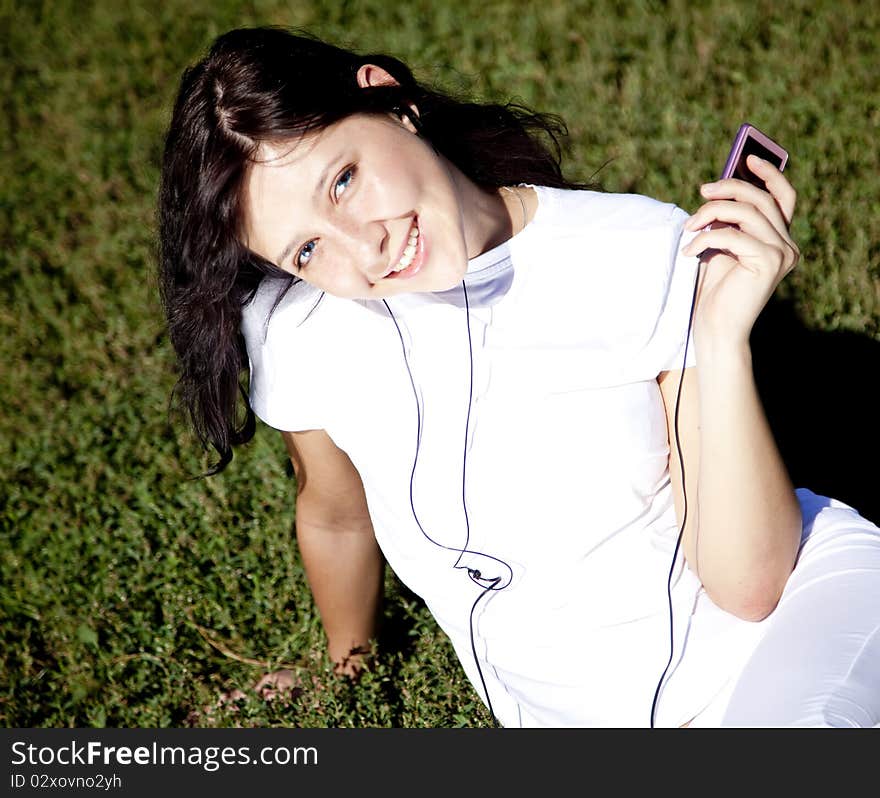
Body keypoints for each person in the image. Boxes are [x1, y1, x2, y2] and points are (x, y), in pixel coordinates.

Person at [157, 26, 880, 727]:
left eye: (343, 181)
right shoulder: (303, 333)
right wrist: (347, 674)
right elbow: (336, 513)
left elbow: (749, 588)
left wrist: (720, 340)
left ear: (390, 102)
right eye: (308, 249)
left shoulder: (636, 252)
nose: (364, 248)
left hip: (784, 632)